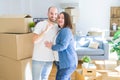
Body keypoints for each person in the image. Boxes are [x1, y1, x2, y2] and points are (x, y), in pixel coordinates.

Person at [45, 12, 78, 80]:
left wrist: (52, 46)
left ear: (67, 20)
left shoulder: (66, 31)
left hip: (67, 63)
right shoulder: (61, 30)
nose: (60, 19)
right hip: (62, 63)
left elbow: (63, 46)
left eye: (62, 18)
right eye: (59, 17)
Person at [32, 6, 59, 80]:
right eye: (51, 13)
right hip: (38, 59)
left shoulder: (57, 27)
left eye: (55, 14)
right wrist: (46, 30)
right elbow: (34, 40)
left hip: (49, 60)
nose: (53, 16)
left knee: (45, 78)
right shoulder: (40, 24)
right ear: (47, 14)